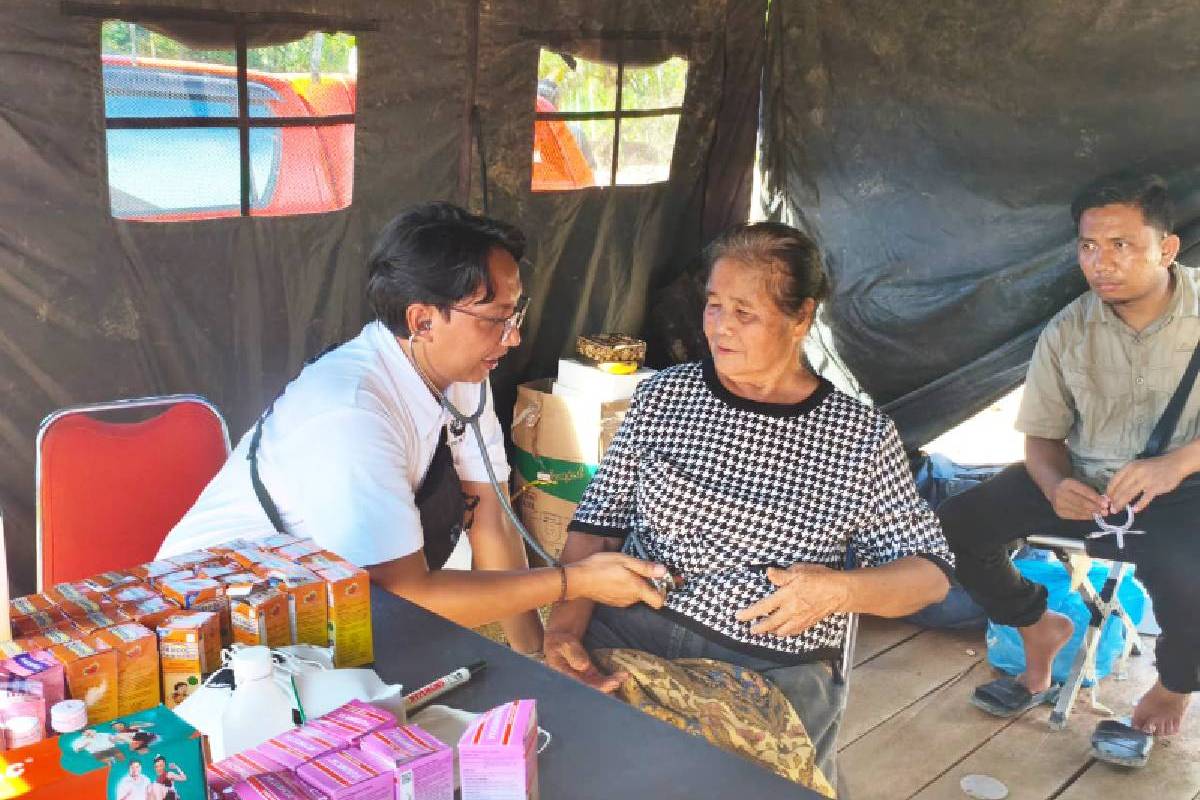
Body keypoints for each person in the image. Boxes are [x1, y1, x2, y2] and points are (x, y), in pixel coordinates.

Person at [543, 221, 954, 782]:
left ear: (801, 318)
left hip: (767, 665)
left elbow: (929, 577)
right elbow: (597, 526)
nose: (720, 328)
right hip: (629, 631)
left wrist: (842, 590)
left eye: (745, 313)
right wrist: (564, 629)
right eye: (714, 306)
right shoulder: (666, 395)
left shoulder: (858, 436)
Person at [157, 202, 667, 653]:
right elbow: (407, 595)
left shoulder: (461, 372)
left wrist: (534, 654)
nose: (512, 339)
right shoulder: (351, 413)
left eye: (517, 315)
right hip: (213, 626)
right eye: (496, 318)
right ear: (422, 321)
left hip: (322, 607)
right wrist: (571, 581)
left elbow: (488, 515)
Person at [939, 172, 1198, 742]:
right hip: (1086, 483)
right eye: (1088, 247)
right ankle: (1036, 623)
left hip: (1185, 488)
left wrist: (1174, 464)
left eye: (1121, 245)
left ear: (1168, 247)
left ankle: (1174, 682)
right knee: (957, 525)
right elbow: (1042, 439)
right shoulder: (1066, 330)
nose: (1100, 262)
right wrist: (1055, 486)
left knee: (1192, 576)